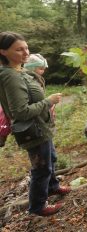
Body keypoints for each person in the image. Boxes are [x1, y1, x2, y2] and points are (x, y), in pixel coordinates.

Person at [0, 31, 70, 216]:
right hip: (33, 131)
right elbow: (20, 112)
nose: (25, 53)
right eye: (18, 49)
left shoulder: (19, 71)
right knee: (41, 168)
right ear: (3, 52)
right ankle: (37, 206)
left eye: (26, 48)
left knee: (51, 159)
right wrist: (49, 101)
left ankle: (53, 187)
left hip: (42, 127)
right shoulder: (10, 76)